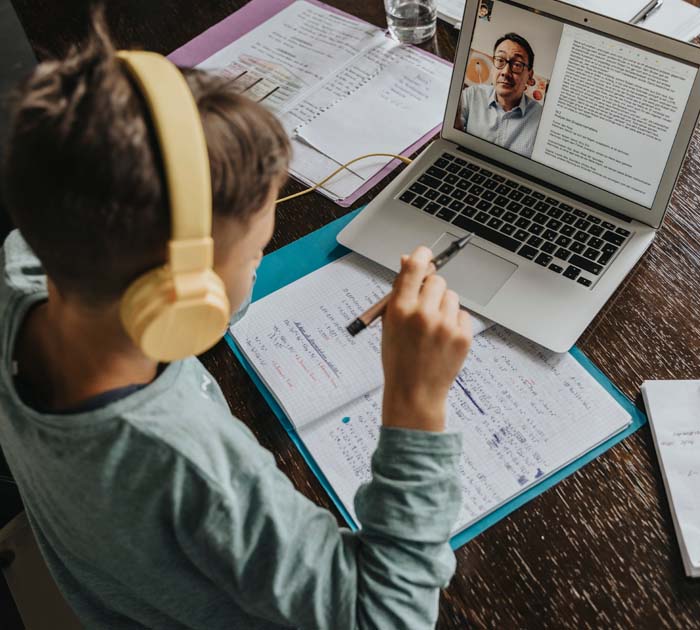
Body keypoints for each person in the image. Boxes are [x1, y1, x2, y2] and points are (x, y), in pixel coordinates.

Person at [0, 14, 473, 630]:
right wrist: (416, 401)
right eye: (254, 254)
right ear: (182, 296)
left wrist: (224, 255)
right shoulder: (188, 468)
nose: (256, 266)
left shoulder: (22, 269)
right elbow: (387, 616)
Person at [458, 32, 542, 158]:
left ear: (529, 75)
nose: (505, 72)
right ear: (493, 66)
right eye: (500, 61)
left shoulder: (541, 119)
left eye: (517, 65)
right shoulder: (472, 95)